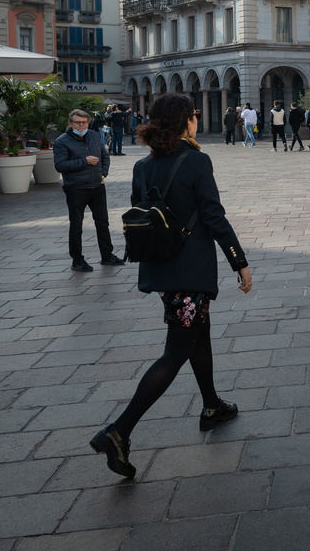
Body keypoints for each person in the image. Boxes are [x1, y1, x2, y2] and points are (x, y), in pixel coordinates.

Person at [89, 93, 251, 479]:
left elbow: (138, 213)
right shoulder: (197, 160)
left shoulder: (144, 166)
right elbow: (214, 215)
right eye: (194, 115)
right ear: (185, 121)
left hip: (163, 269)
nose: (197, 119)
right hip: (190, 271)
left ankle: (212, 406)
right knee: (176, 351)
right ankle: (119, 430)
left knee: (199, 333)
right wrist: (239, 261)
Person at [54, 108, 122, 272]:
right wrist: (84, 161)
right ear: (70, 124)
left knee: (103, 223)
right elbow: (60, 165)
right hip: (76, 188)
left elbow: (105, 156)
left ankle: (107, 255)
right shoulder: (61, 141)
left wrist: (103, 173)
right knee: (76, 226)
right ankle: (77, 260)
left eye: (84, 122)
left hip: (97, 186)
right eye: (78, 122)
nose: (82, 125)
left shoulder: (93, 135)